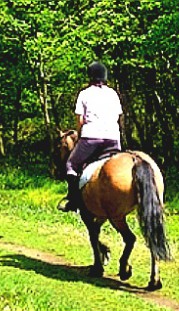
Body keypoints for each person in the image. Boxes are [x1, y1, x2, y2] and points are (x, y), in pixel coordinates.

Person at [57, 61, 124, 212]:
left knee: (71, 165)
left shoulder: (84, 94)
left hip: (91, 138)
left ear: (90, 77)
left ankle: (73, 200)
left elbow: (80, 120)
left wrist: (81, 136)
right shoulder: (113, 93)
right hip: (113, 140)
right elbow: (118, 116)